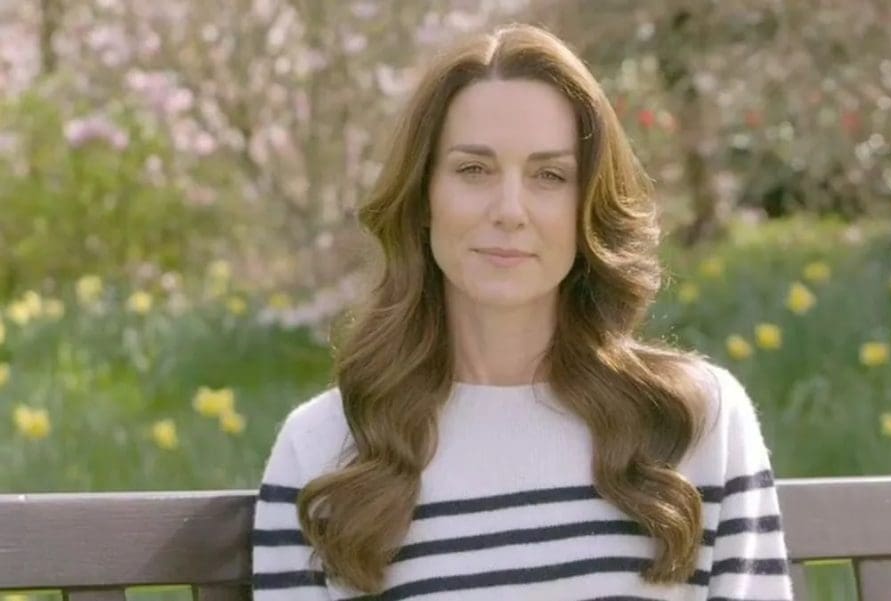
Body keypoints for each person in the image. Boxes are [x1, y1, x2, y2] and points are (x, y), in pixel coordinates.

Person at [252, 22, 794, 601]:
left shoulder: (695, 421)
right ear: (423, 197)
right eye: (473, 170)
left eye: (549, 176)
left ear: (588, 206)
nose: (510, 210)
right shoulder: (324, 449)